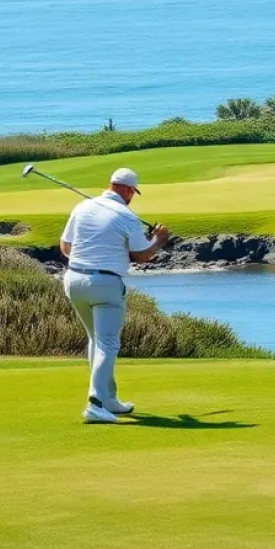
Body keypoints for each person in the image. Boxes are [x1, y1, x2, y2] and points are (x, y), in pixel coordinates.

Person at [59, 168, 170, 423]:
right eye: (133, 193)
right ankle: (95, 402)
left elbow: (66, 247)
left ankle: (108, 399)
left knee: (96, 339)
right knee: (108, 343)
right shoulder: (126, 216)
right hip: (106, 284)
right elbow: (142, 255)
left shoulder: (82, 207)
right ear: (129, 190)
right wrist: (158, 239)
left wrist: (91, 258)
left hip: (73, 280)